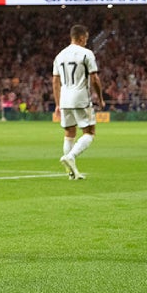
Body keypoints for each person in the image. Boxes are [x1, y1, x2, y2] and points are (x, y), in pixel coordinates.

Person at [52, 25, 104, 180]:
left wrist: (57, 103)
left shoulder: (59, 55)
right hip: (80, 97)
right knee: (89, 132)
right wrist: (100, 98)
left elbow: (55, 81)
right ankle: (71, 156)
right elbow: (94, 78)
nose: (86, 42)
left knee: (69, 133)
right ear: (81, 37)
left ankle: (71, 172)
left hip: (64, 98)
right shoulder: (86, 54)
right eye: (86, 39)